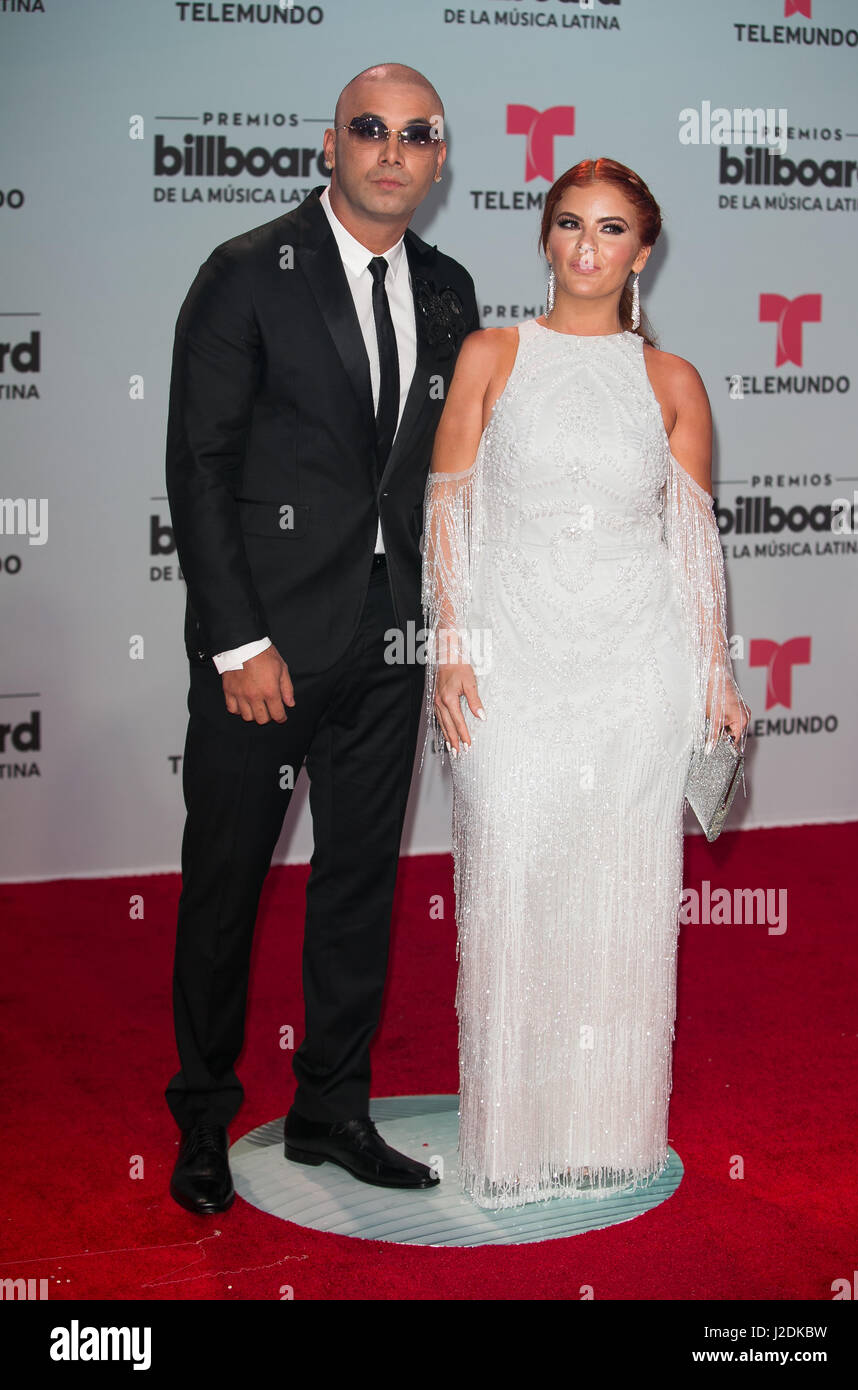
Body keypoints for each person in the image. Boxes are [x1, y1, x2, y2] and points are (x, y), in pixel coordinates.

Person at [164, 63, 478, 1214]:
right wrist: (234, 639)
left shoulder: (447, 287)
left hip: (391, 643)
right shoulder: (248, 272)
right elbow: (198, 468)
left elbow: (447, 472)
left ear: (439, 160)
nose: (393, 151)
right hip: (267, 650)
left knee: (359, 882)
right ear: (332, 143)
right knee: (225, 885)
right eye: (371, 130)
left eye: (417, 135)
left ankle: (330, 1107)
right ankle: (200, 1115)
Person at [421, 158, 750, 1210]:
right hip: (511, 662)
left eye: (611, 229)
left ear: (640, 252)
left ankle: (601, 1130)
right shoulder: (490, 354)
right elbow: (447, 513)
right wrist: (452, 645)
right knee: (514, 868)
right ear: (545, 237)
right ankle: (510, 1139)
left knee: (617, 895)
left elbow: (691, 544)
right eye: (569, 223)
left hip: (633, 671)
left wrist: (716, 673)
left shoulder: (672, 382)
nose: (586, 246)